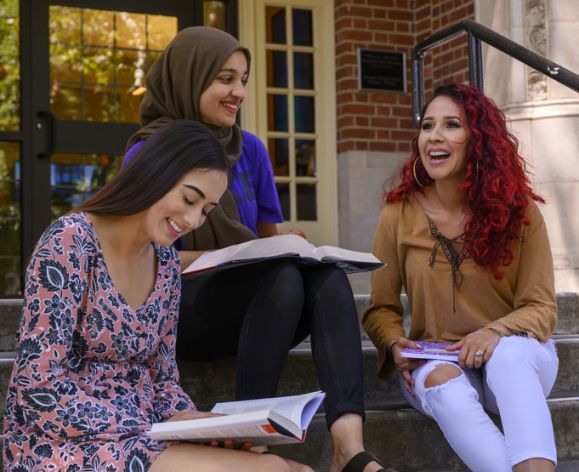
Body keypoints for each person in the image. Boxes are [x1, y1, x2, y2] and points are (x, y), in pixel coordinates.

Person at [123, 27, 388, 472]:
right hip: (180, 310)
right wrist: (226, 259)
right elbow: (138, 255)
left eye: (243, 79)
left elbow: (267, 236)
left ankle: (349, 446)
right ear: (190, 77)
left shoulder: (250, 150)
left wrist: (291, 246)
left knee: (324, 277)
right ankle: (251, 445)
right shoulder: (151, 152)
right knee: (279, 276)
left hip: (260, 307)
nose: (238, 92)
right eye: (225, 79)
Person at [3, 120, 313, 471]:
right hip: (60, 443)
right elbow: (37, 384)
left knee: (292, 468)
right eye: (189, 199)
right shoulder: (69, 243)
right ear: (155, 172)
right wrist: (151, 428)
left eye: (206, 210)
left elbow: (163, 381)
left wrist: (197, 423)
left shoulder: (165, 263)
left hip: (142, 436)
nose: (195, 220)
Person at [363, 82, 558, 472]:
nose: (434, 136)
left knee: (509, 356)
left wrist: (495, 332)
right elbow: (380, 308)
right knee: (444, 385)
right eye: (427, 125)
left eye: (451, 125)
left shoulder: (520, 215)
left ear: (479, 141)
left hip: (516, 361)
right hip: (440, 361)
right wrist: (393, 343)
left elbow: (542, 307)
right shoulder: (397, 215)